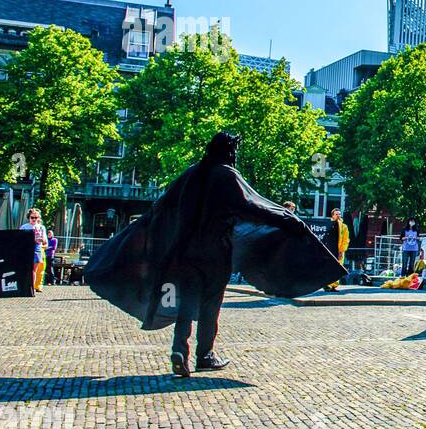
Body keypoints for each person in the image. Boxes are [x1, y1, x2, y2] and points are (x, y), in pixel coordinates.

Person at [85, 132, 344, 376]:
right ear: (228, 151)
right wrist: (288, 220)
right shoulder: (226, 176)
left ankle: (179, 349)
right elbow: (252, 206)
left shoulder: (189, 176)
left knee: (186, 301)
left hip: (183, 251)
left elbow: (161, 207)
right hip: (214, 252)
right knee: (210, 303)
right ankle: (205, 354)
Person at [324, 208, 350, 291]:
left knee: (338, 268)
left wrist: (342, 250)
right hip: (330, 249)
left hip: (338, 250)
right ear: (333, 215)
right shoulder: (328, 224)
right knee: (329, 267)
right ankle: (327, 284)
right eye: (336, 214)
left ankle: (334, 285)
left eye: (339, 214)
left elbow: (346, 239)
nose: (338, 216)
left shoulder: (344, 226)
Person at [20, 208, 46, 292]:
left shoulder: (41, 227)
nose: (34, 219)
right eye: (32, 217)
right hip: (27, 249)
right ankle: (23, 287)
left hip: (37, 249)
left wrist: (41, 239)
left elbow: (45, 241)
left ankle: (32, 288)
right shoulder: (24, 227)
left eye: (36, 217)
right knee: (25, 269)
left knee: (34, 270)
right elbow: (19, 239)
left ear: (38, 218)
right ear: (29, 218)